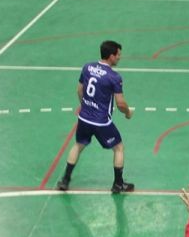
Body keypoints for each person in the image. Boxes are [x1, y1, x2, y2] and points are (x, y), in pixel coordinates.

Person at [56, 40, 134, 193]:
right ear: (111, 56)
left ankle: (65, 180)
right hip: (101, 122)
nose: (119, 57)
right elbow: (120, 103)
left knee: (78, 145)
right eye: (118, 55)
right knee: (119, 148)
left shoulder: (87, 67)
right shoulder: (114, 77)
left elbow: (79, 90)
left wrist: (86, 106)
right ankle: (118, 184)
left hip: (84, 118)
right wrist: (128, 113)